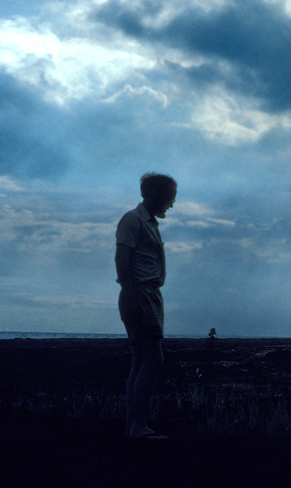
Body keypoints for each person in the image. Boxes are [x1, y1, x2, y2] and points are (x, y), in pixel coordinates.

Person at [115, 172, 176, 440]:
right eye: (169, 198)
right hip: (140, 293)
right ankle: (137, 427)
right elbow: (122, 256)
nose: (171, 204)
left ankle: (135, 426)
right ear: (155, 195)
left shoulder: (149, 222)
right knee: (153, 359)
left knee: (140, 361)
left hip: (147, 293)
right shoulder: (133, 219)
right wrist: (130, 295)